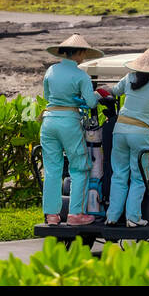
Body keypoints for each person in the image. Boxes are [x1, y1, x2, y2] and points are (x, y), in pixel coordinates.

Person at [105, 45, 149, 227]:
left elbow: (114, 91)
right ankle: (133, 217)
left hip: (120, 131)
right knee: (139, 176)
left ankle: (112, 217)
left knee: (119, 174)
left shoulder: (129, 77)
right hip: (141, 133)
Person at [40, 34, 103, 226]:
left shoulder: (51, 70)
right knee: (79, 168)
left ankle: (52, 215)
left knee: (52, 169)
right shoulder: (80, 75)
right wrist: (97, 95)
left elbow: (47, 95)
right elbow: (91, 102)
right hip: (69, 122)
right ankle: (76, 214)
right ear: (79, 53)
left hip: (49, 120)